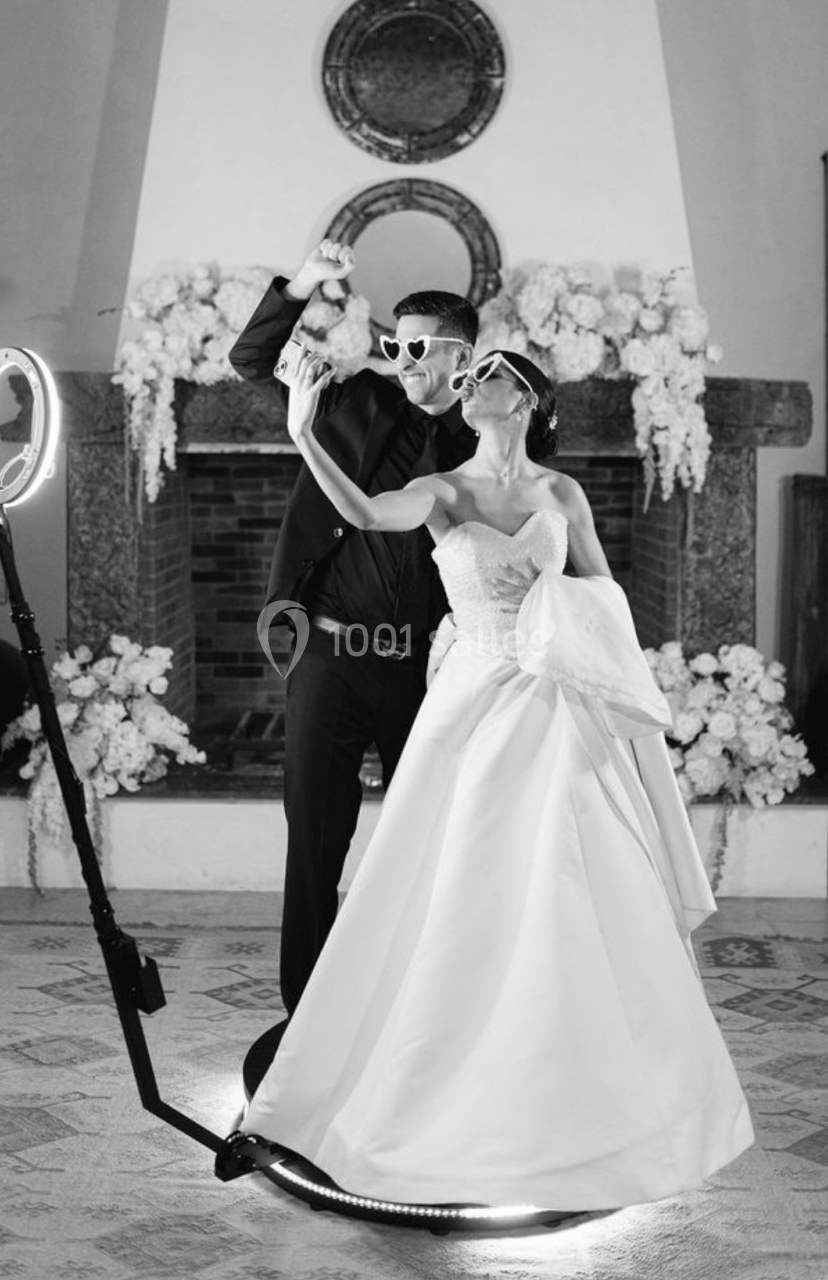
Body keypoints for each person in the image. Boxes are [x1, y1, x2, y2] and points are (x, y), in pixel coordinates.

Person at [239, 347, 755, 1211]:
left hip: (555, 704)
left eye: (492, 375)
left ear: (529, 397)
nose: (472, 386)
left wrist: (556, 608)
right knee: (461, 881)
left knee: (567, 880)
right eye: (468, 376)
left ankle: (572, 1094)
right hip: (475, 701)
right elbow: (365, 511)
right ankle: (432, 1078)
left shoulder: (562, 495)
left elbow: (607, 591)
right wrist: (302, 432)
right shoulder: (443, 491)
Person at [229, 240, 479, 1017]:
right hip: (330, 659)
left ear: (462, 356)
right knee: (314, 843)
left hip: (429, 673)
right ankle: (305, 1018)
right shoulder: (350, 401)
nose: (400, 357)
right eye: (394, 342)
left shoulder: (495, 435)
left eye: (417, 346)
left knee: (428, 845)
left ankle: (414, 1008)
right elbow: (252, 357)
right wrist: (303, 284)